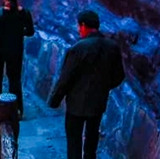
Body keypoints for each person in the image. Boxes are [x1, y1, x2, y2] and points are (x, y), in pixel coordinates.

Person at [48, 10, 125, 159]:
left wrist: (54, 100)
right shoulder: (112, 47)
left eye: (79, 26)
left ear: (83, 25)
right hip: (98, 102)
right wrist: (104, 87)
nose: (78, 30)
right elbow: (119, 76)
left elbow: (66, 78)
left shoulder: (78, 48)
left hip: (76, 103)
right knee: (92, 139)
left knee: (74, 141)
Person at [0, 0, 34, 119]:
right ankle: (17, 109)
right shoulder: (24, 13)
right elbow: (30, 31)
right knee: (14, 80)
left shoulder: (1, 13)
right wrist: (19, 32)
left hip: (1, 48)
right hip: (16, 49)